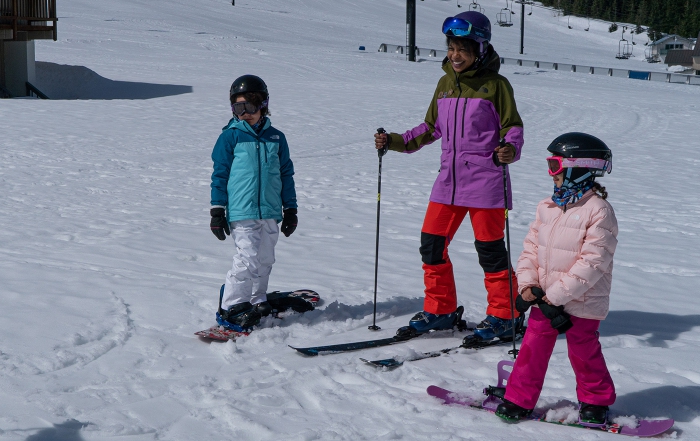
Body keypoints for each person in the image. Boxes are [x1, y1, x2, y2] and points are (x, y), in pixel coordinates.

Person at [374, 11, 524, 340]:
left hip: (486, 182)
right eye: (451, 48)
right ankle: (441, 310)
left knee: (490, 251)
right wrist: (395, 141)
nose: (455, 56)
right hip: (448, 183)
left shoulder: (496, 86)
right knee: (431, 245)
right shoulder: (444, 84)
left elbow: (512, 127)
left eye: (463, 50)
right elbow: (430, 128)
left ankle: (505, 314)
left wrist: (510, 150)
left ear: (480, 50)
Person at [495, 132, 617, 427]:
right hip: (544, 299)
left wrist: (557, 296)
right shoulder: (547, 207)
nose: (552, 174)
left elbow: (593, 262)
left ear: (579, 168)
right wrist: (527, 285)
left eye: (555, 166)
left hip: (582, 299)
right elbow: (530, 250)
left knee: (584, 351)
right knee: (532, 349)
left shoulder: (599, 212)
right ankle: (518, 398)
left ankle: (596, 401)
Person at [210, 74, 298, 331]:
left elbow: (286, 174)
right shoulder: (230, 137)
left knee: (265, 258)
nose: (245, 112)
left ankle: (257, 299)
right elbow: (220, 175)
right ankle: (232, 306)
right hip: (242, 210)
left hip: (270, 210)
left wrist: (290, 209)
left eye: (251, 105)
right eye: (239, 107)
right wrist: (217, 210)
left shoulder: (277, 138)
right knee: (247, 258)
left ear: (263, 104)